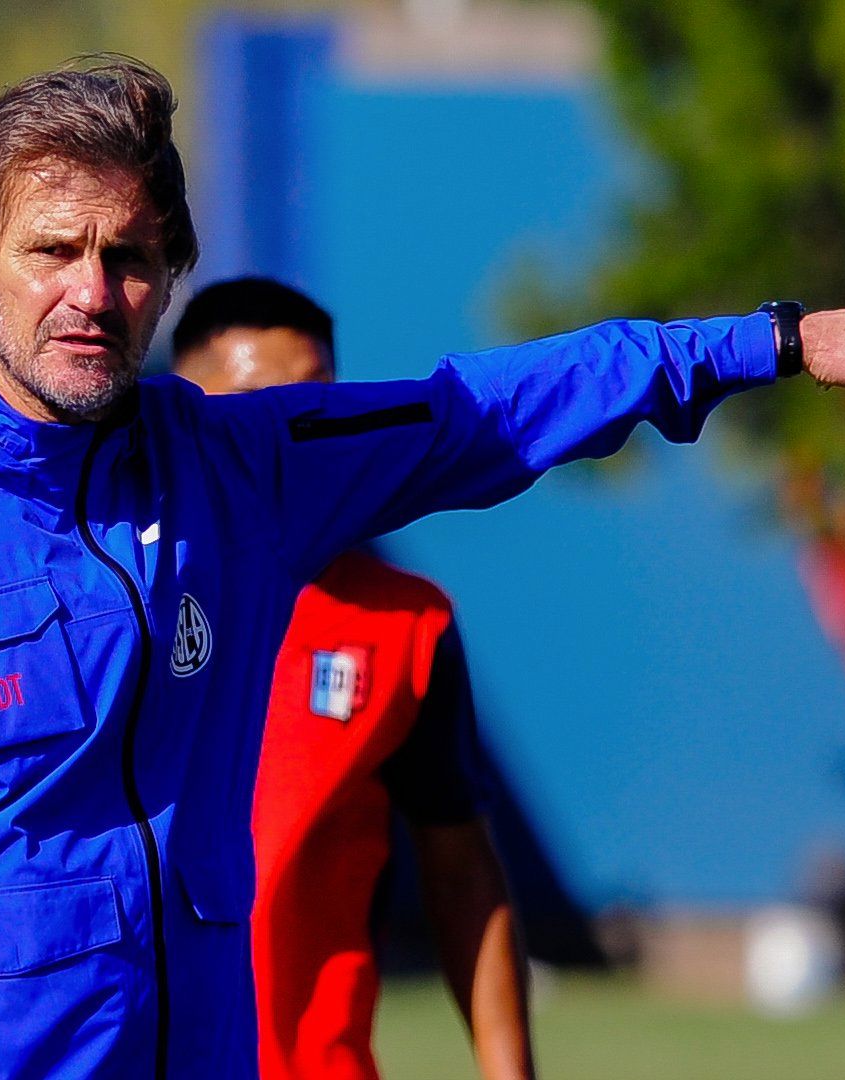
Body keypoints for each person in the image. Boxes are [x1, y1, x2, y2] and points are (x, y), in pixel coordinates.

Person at [0, 56, 845, 1080]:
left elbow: (484, 408)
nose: (92, 291)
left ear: (168, 278)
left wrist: (775, 343)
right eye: (53, 250)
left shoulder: (230, 470)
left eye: (129, 257)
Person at [171, 277, 532, 1080]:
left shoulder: (404, 627)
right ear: (186, 415)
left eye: (315, 406)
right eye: (255, 407)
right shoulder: (117, 598)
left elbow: (460, 870)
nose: (289, 434)